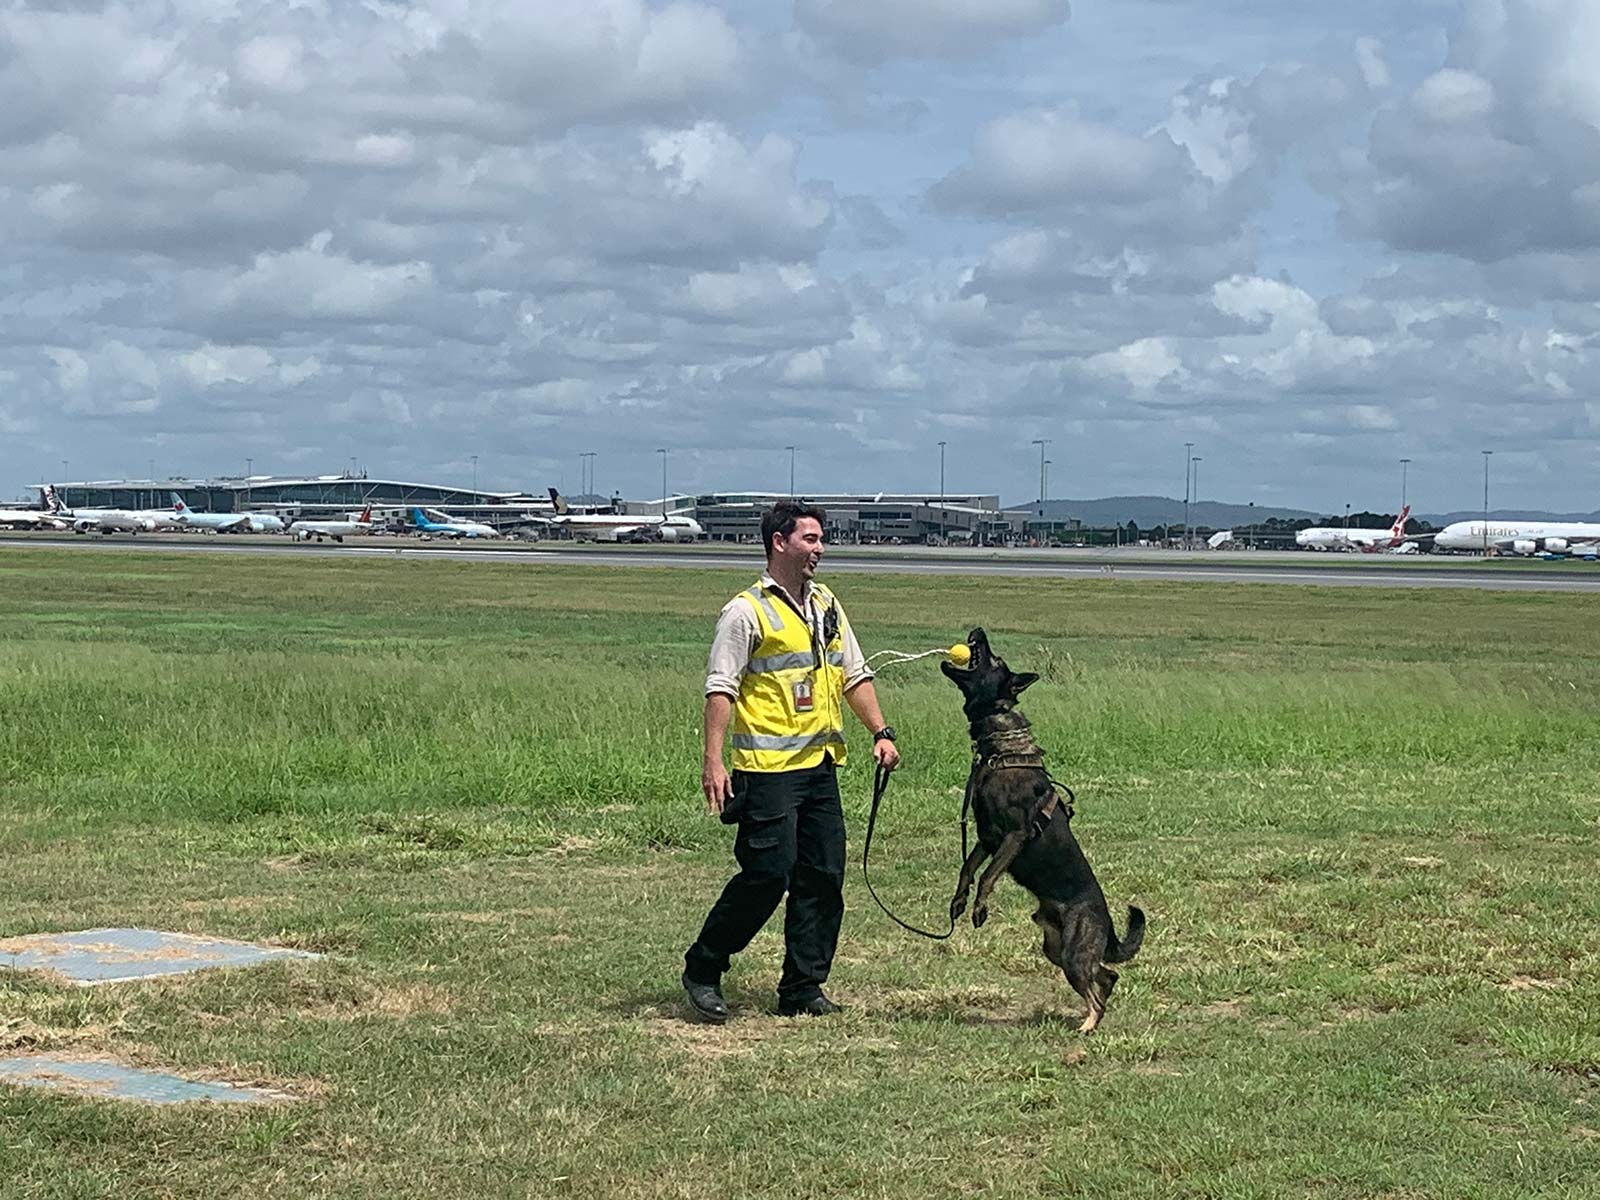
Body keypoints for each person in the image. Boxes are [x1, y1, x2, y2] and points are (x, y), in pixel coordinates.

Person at [682, 500, 900, 1022]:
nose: (819, 549)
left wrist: (880, 731)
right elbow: (720, 690)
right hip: (767, 771)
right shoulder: (746, 611)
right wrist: (713, 761)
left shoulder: (826, 604)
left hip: (820, 765)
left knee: (823, 876)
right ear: (779, 542)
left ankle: (803, 987)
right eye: (810, 539)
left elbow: (854, 673)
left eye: (821, 539)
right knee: (768, 874)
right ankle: (704, 967)